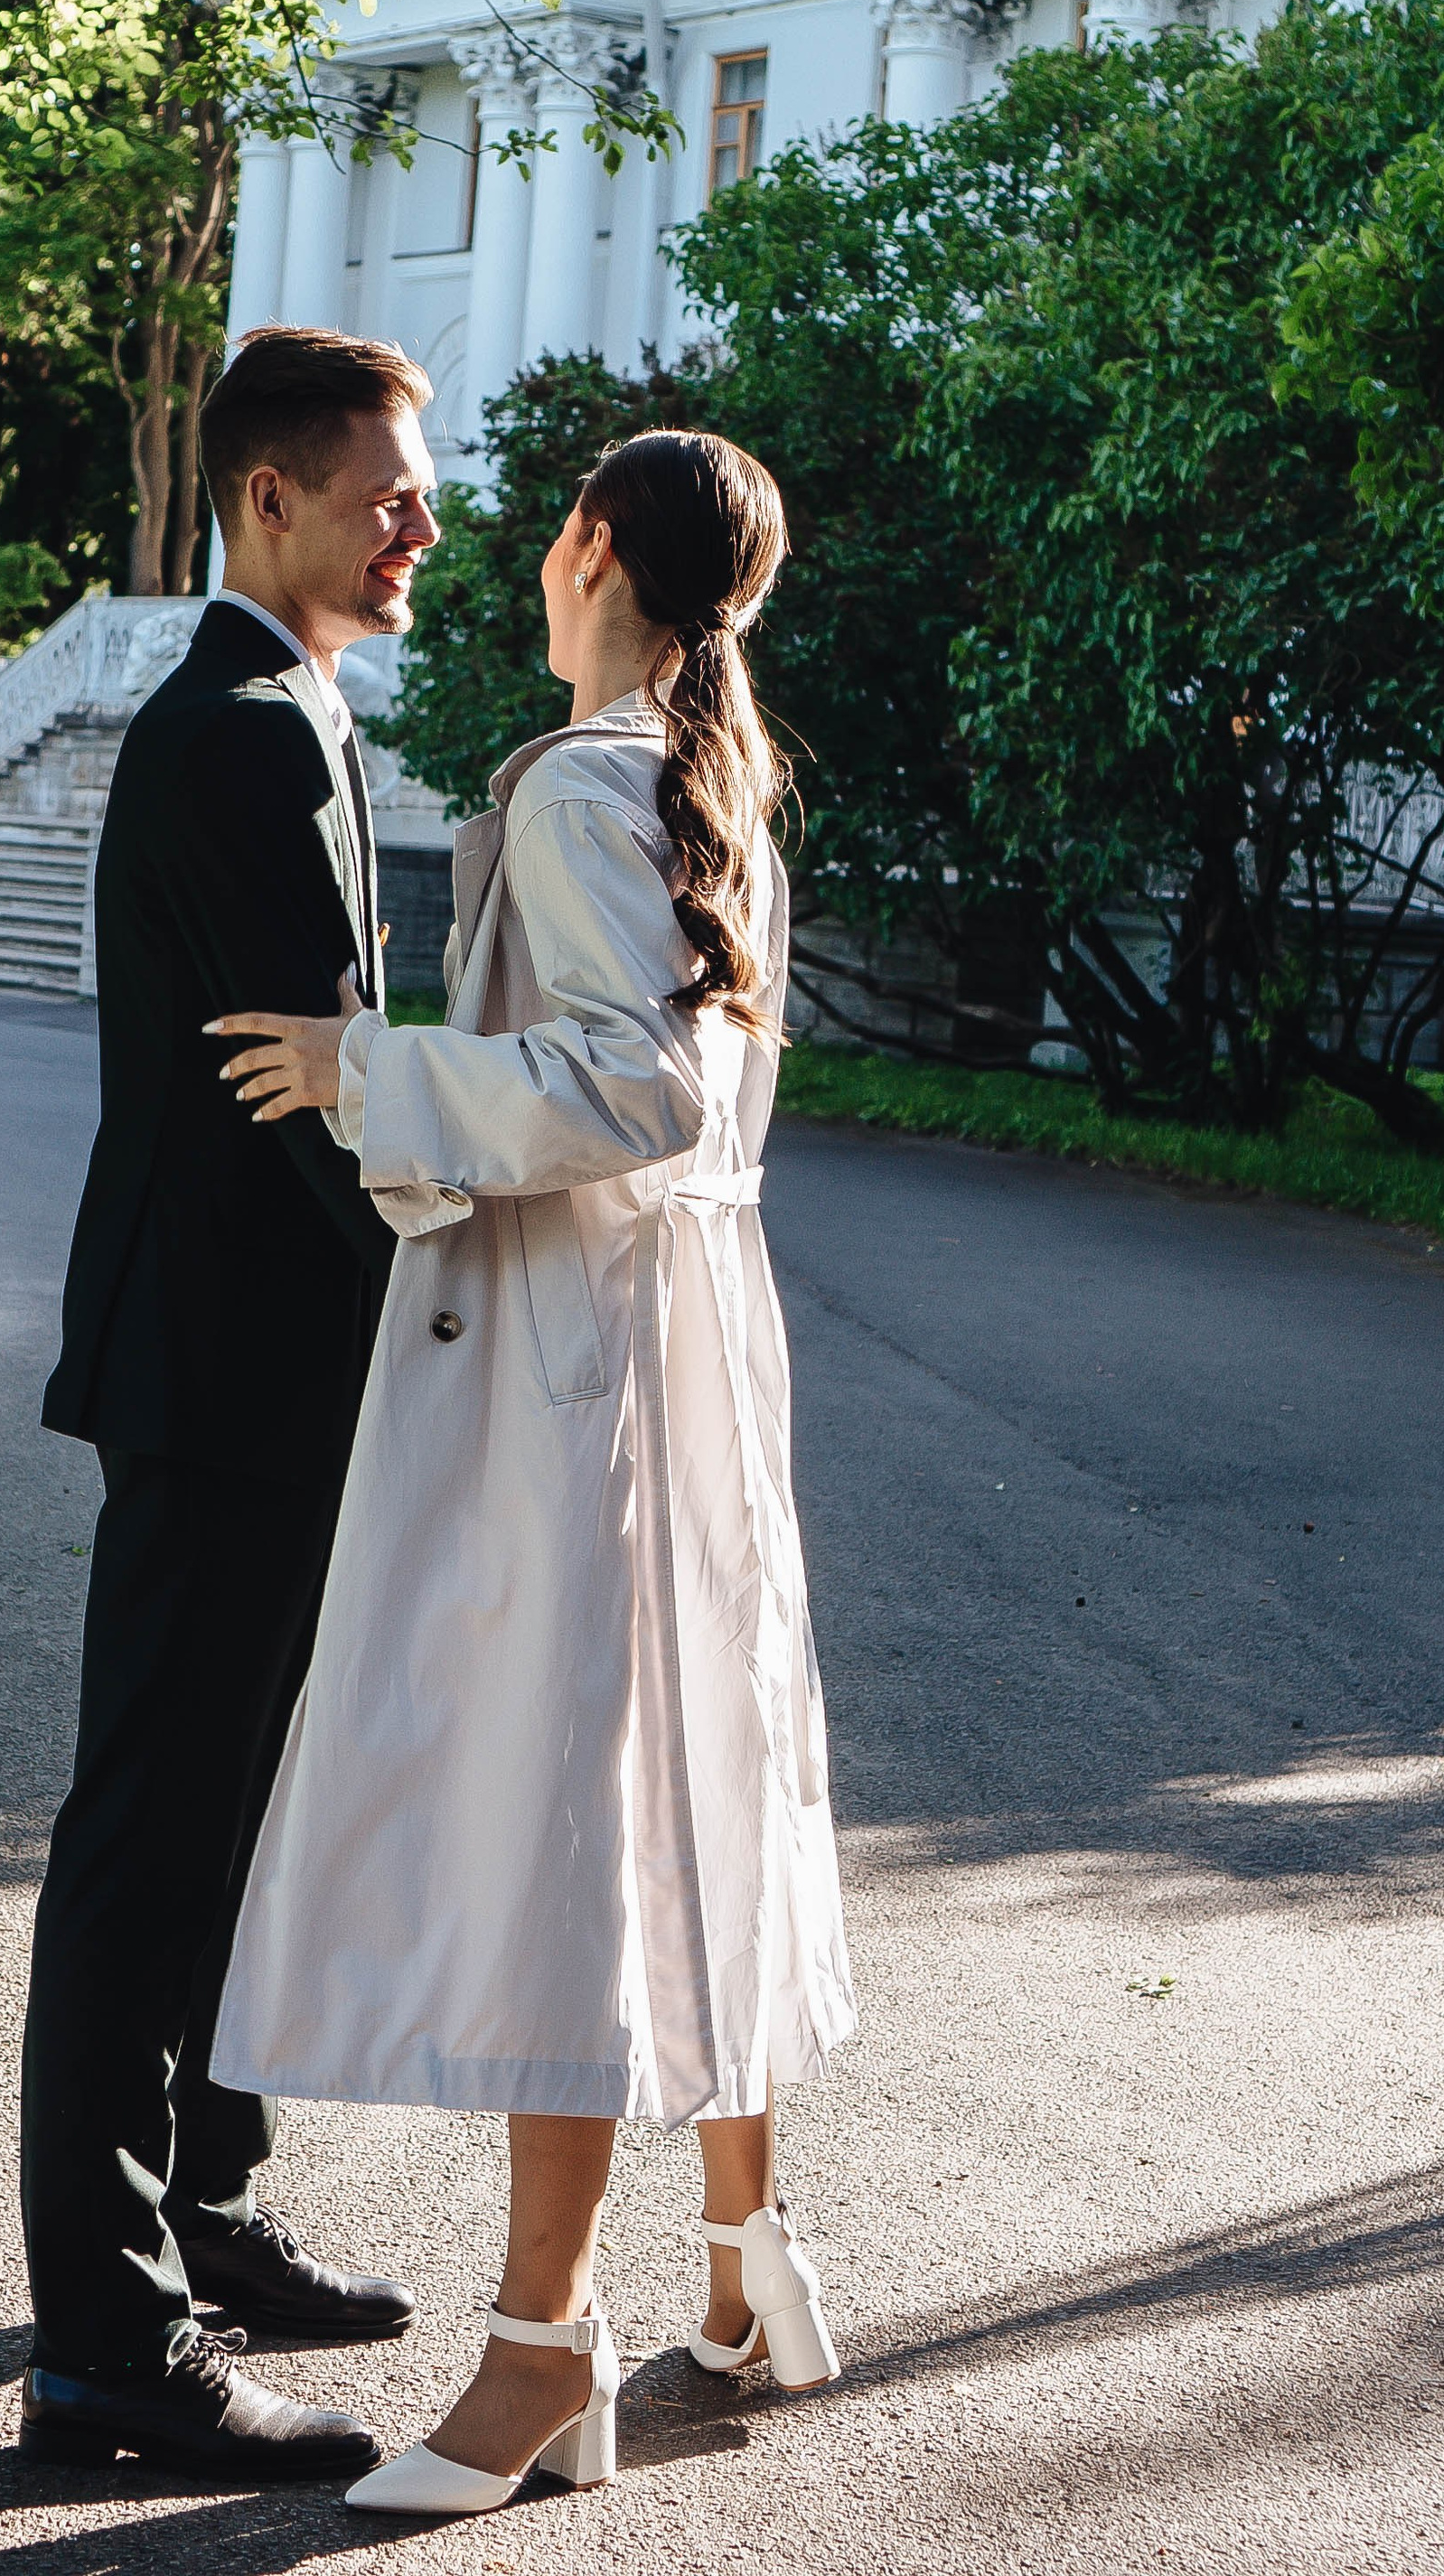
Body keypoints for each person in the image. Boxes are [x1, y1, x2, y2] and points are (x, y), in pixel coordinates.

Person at [208, 427, 857, 2519]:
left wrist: (359, 1071)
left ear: (593, 548)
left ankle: (535, 2352)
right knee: (698, 1774)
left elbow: (640, 1084)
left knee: (564, 1823)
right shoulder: (703, 768)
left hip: (586, 1356)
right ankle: (746, 2264)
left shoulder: (591, 778)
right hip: (682, 1346)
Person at [16, 326, 443, 2487]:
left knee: (243, 1823)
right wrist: (470, 1292)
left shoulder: (289, 711)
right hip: (224, 1368)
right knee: (151, 1839)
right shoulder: (239, 738)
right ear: (268, 497)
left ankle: (203, 2206)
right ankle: (106, 2340)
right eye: (386, 493)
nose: (421, 526)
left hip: (264, 1362)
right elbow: (325, 1103)